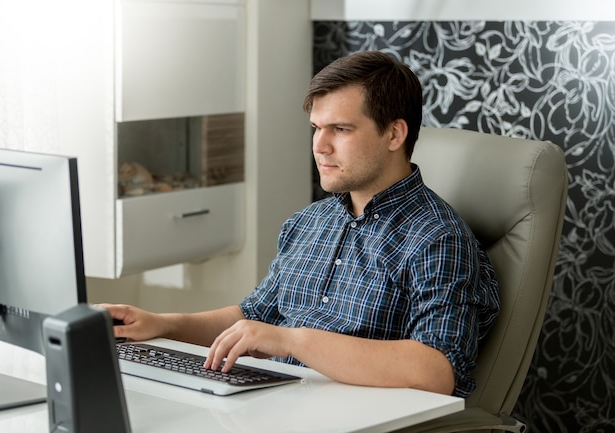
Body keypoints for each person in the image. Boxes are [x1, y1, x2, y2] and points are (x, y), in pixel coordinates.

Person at [102, 50, 500, 398]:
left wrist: (291, 340)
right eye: (316, 128)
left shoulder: (437, 238)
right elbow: (253, 317)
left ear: (394, 133)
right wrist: (160, 324)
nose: (319, 146)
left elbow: (435, 371)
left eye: (340, 129)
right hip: (278, 402)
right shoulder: (308, 223)